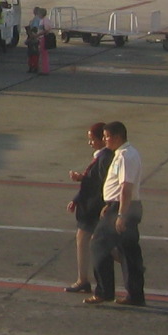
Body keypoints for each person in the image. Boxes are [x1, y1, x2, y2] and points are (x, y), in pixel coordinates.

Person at [85, 121, 146, 307]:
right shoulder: (125, 153)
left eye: (107, 136)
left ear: (118, 137)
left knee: (98, 244)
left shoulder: (125, 157)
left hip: (122, 208)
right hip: (122, 206)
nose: (105, 140)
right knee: (128, 251)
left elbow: (125, 188)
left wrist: (120, 214)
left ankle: (104, 291)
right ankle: (135, 295)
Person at [64, 123, 111, 293]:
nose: (90, 143)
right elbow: (91, 182)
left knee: (97, 243)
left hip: (94, 208)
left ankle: (83, 280)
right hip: (91, 206)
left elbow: (99, 184)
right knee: (88, 241)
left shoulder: (105, 157)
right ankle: (82, 279)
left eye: (92, 139)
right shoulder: (101, 156)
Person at [30, 6, 53, 75]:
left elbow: (45, 30)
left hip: (43, 38)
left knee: (43, 55)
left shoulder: (43, 20)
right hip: (43, 37)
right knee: (44, 55)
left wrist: (37, 35)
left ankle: (44, 70)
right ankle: (44, 69)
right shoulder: (46, 20)